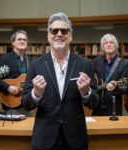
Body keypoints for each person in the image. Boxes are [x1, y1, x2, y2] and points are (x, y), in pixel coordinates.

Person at [21, 12, 99, 150]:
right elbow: (26, 104)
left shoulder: (85, 64)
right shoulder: (36, 65)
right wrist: (36, 94)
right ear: (48, 36)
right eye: (54, 30)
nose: (59, 34)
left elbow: (94, 102)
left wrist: (86, 92)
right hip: (45, 139)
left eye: (64, 30)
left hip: (76, 139)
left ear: (70, 36)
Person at [0, 30, 34, 116]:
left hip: (28, 103)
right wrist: (8, 87)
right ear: (13, 42)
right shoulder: (5, 58)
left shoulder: (31, 60)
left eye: (24, 39)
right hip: (12, 103)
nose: (22, 41)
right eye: (19, 39)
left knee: (29, 129)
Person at [92, 33, 128, 116]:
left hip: (114, 107)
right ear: (103, 47)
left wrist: (115, 88)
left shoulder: (123, 64)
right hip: (97, 106)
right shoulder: (97, 60)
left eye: (111, 42)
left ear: (116, 45)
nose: (108, 45)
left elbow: (124, 89)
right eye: (106, 43)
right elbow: (89, 76)